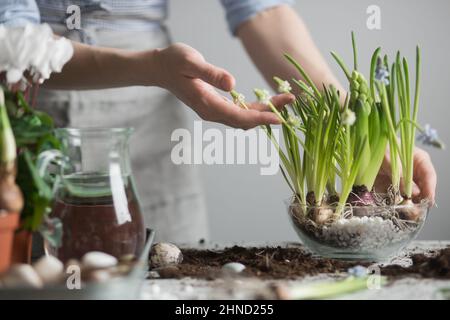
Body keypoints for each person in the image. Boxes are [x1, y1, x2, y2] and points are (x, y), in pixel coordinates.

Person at [0, 1, 436, 243]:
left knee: (176, 278)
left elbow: (260, 10)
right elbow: (12, 41)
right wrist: (154, 67)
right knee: (42, 277)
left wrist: (355, 127)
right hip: (33, 110)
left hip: (155, 115)